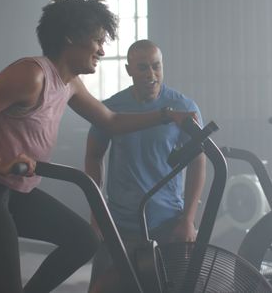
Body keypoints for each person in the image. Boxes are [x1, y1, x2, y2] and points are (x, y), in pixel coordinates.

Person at [0, 0, 193, 293]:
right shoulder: (31, 75)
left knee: (83, 239)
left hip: (11, 192)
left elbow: (110, 121)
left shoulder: (69, 83)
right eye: (98, 41)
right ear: (71, 38)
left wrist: (166, 115)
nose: (101, 50)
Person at [86, 40, 206, 292]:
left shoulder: (183, 107)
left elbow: (198, 162)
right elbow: (94, 156)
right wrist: (97, 215)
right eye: (142, 68)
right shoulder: (111, 108)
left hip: (167, 224)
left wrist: (188, 219)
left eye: (156, 66)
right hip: (119, 224)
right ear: (129, 70)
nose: (151, 74)